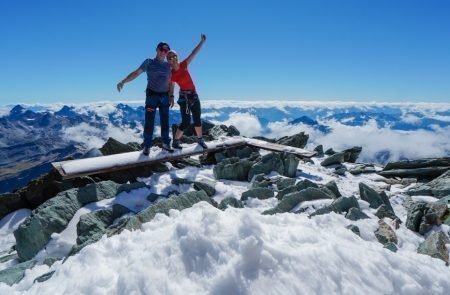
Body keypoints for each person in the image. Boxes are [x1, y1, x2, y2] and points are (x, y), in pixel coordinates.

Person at [117, 41, 174, 155]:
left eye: (166, 50)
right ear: (157, 49)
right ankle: (147, 146)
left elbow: (171, 82)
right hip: (152, 96)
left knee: (165, 122)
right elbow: (136, 73)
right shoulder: (149, 62)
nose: (164, 52)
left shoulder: (169, 65)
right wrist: (123, 81)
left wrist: (171, 95)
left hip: (165, 97)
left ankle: (166, 143)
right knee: (149, 122)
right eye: (162, 49)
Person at [167, 34, 207, 150]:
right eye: (170, 58)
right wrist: (171, 97)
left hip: (193, 96)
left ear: (177, 57)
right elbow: (172, 85)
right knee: (186, 121)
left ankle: (200, 140)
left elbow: (193, 53)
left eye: (174, 56)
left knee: (197, 119)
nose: (172, 59)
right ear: (168, 61)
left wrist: (202, 42)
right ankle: (175, 142)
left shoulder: (184, 64)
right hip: (184, 99)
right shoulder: (172, 74)